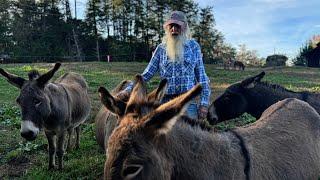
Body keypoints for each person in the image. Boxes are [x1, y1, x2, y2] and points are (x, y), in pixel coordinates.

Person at [119, 10, 211, 120]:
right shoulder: (161, 49)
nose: (174, 29)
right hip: (165, 102)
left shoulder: (193, 47)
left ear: (185, 27)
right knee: (162, 135)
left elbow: (202, 77)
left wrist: (204, 104)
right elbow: (146, 74)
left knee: (191, 135)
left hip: (187, 101)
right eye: (171, 26)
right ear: (167, 28)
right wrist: (128, 90)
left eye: (177, 26)